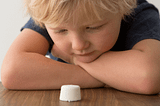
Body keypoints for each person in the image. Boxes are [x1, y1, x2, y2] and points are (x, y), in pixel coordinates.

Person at [1, 0, 160, 94]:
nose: (78, 45)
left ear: (123, 11)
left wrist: (72, 59)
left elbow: (149, 77)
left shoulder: (136, 11)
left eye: (93, 28)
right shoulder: (52, 10)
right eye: (61, 31)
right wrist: (115, 78)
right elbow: (12, 72)